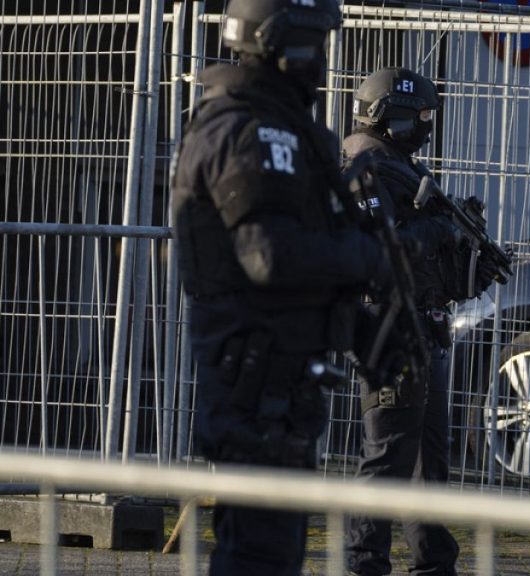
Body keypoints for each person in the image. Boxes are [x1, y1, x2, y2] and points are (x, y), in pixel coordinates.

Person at [170, 1, 394, 574]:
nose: (322, 61)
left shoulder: (279, 128)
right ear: (284, 45)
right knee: (259, 557)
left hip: (278, 385)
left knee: (271, 553)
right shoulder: (245, 131)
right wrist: (366, 256)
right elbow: (270, 256)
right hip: (256, 386)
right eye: (315, 44)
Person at [343, 67, 504, 576]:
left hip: (422, 324)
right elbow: (378, 250)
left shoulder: (401, 167)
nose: (427, 126)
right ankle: (364, 563)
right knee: (389, 453)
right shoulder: (362, 165)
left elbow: (423, 252)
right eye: (420, 117)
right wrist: (435, 229)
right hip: (386, 325)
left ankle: (434, 564)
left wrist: (463, 251)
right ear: (390, 116)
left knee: (429, 460)